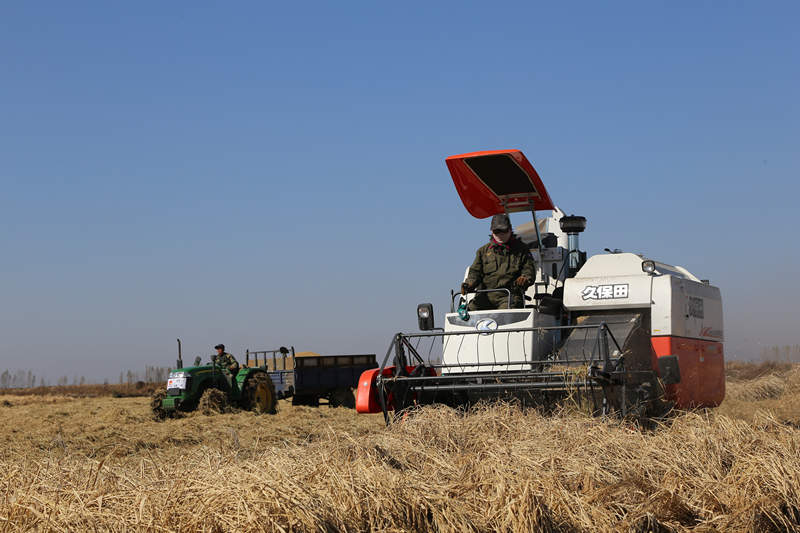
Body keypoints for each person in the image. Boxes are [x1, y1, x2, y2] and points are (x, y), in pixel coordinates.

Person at [461, 213, 536, 311]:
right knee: (468, 314)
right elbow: (475, 273)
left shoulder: (522, 250)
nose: (500, 234)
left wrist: (524, 279)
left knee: (506, 315)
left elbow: (529, 271)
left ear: (510, 230)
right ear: (492, 232)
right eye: (496, 231)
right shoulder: (483, 251)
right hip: (485, 295)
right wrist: (469, 284)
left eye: (503, 231)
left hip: (509, 295)